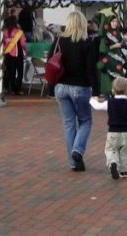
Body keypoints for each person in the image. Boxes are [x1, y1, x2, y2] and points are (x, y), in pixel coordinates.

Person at [50, 11, 99, 172]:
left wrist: (51, 87)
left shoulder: (58, 40)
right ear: (83, 24)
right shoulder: (88, 43)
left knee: (69, 123)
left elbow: (51, 63)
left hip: (61, 87)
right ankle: (77, 150)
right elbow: (91, 69)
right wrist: (97, 91)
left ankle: (73, 161)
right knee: (85, 121)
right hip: (81, 87)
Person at [89, 77, 127, 179]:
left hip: (113, 132)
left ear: (113, 90)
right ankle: (123, 171)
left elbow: (97, 106)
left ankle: (113, 163)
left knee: (111, 149)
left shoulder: (110, 102)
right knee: (124, 152)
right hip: (126, 133)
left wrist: (92, 100)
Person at [96, 8, 127, 96]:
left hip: (118, 57)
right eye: (113, 21)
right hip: (109, 58)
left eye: (116, 21)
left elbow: (122, 44)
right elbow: (103, 48)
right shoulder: (105, 34)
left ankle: (120, 91)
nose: (115, 23)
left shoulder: (118, 32)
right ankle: (109, 93)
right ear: (109, 23)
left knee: (119, 76)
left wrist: (123, 42)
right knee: (108, 77)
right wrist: (115, 46)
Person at [2, 14, 27, 95]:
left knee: (10, 72)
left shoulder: (5, 32)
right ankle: (17, 89)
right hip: (17, 54)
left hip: (8, 53)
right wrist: (26, 50)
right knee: (19, 72)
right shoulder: (19, 32)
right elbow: (23, 44)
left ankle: (11, 88)